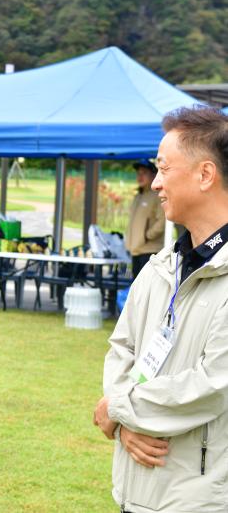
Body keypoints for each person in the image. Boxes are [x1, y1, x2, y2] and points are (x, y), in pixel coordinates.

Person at [93, 105, 228, 513]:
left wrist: (119, 410)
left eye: (164, 169)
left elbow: (214, 384)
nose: (155, 183)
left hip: (197, 497)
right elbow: (122, 348)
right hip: (136, 488)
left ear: (205, 175)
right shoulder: (161, 266)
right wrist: (125, 417)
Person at [125, 158, 166, 278]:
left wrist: (147, 236)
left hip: (149, 252)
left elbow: (163, 221)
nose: (140, 176)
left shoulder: (157, 195)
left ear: (153, 175)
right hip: (136, 251)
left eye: (144, 173)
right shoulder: (138, 196)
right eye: (138, 173)